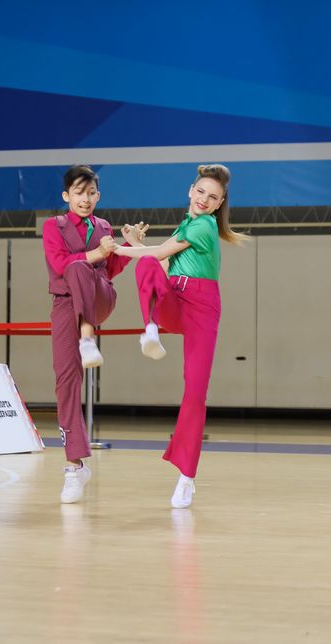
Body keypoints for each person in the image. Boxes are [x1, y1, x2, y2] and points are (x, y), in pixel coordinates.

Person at [112, 164, 247, 509]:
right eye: (201, 191)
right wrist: (136, 245)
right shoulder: (185, 226)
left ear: (219, 204)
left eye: (213, 197)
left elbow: (159, 253)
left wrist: (118, 249)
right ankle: (151, 329)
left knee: (195, 391)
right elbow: (160, 264)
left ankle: (187, 477)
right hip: (175, 296)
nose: (204, 200)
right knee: (146, 265)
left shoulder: (203, 226)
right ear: (190, 190)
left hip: (202, 307)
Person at [42, 164, 147, 504]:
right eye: (78, 193)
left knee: (79, 266)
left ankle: (88, 336)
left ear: (98, 195)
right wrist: (98, 253)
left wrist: (129, 246)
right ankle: (74, 466)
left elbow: (111, 268)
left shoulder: (103, 226)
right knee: (65, 381)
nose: (85, 199)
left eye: (90, 193)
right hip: (64, 304)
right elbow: (60, 264)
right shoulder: (53, 226)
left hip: (100, 296)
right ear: (66, 196)